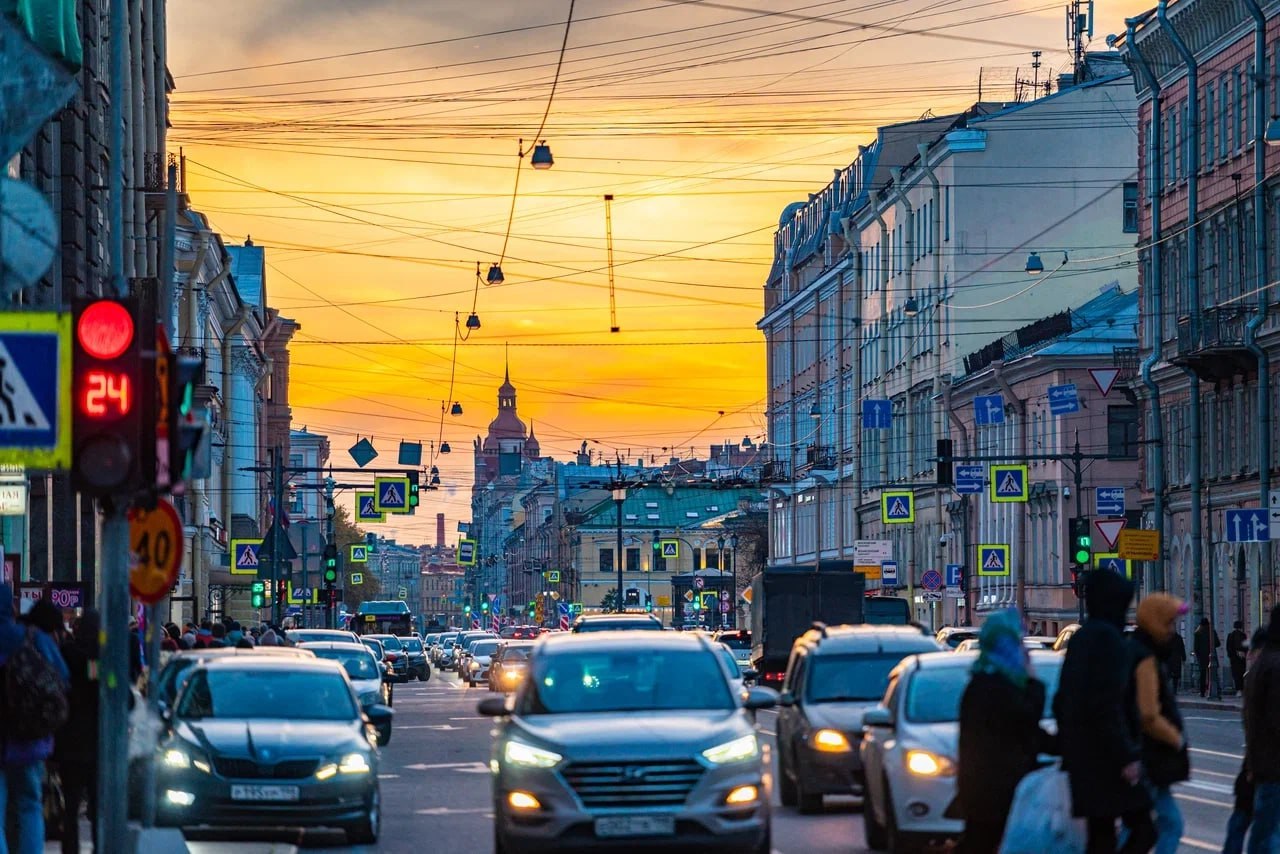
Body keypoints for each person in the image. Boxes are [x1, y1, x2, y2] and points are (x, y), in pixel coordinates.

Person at [1054, 570, 1155, 854]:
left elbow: (1062, 701)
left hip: (1084, 757)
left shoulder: (1082, 638)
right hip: (1107, 759)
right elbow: (1107, 705)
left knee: (1101, 834)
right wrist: (1125, 755)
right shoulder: (1108, 640)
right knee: (1143, 829)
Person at [957, 609, 1053, 853]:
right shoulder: (992, 686)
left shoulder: (991, 680)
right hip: (993, 790)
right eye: (1018, 642)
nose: (1025, 649)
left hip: (991, 788)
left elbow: (1024, 732)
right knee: (982, 843)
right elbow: (1025, 720)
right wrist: (1034, 682)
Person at [0, 583, 70, 854]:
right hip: (28, 738)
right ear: (11, 607)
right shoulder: (31, 638)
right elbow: (61, 678)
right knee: (30, 804)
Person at [1129, 593, 1189, 854]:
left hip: (1145, 755)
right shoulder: (1145, 658)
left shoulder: (1139, 650)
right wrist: (1176, 738)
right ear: (1156, 623)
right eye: (1169, 623)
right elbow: (1149, 714)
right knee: (1163, 825)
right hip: (1148, 756)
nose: (1172, 631)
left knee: (1159, 824)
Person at [53, 611, 100, 854]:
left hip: (69, 740)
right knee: (98, 805)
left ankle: (70, 849)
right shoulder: (98, 658)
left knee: (70, 806)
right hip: (97, 742)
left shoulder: (66, 652)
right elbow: (99, 685)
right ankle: (99, 847)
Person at [1224, 627, 1269, 854]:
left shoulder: (1258, 675)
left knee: (1249, 823)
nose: (1249, 655)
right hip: (1262, 764)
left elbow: (1255, 725)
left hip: (1260, 764)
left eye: (1252, 650)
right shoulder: (1261, 673)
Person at [1243, 605, 1280, 854]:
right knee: (1268, 834)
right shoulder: (1276, 665)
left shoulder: (1265, 661)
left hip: (1265, 763)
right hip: (1275, 764)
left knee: (1266, 831)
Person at [1194, 618, 1221, 697]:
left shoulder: (1198, 633)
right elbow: (1218, 643)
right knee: (1213, 674)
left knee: (1202, 674)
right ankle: (1215, 690)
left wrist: (1198, 655)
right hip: (1212, 655)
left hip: (1202, 657)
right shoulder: (1212, 632)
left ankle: (1202, 692)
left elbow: (1196, 648)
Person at [1228, 621, 1249, 695]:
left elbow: (1229, 648)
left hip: (1234, 659)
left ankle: (1238, 690)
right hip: (1242, 658)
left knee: (1235, 674)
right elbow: (1246, 646)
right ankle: (1242, 689)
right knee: (1242, 673)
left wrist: (1232, 655)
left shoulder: (1230, 635)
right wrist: (1244, 653)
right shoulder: (1243, 635)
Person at [1167, 625, 1187, 695]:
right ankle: (1174, 691)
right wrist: (1184, 658)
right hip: (1176, 659)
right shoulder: (1179, 638)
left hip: (1169, 659)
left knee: (1168, 675)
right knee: (1175, 676)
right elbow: (1182, 649)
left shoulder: (1167, 638)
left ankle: (1169, 691)